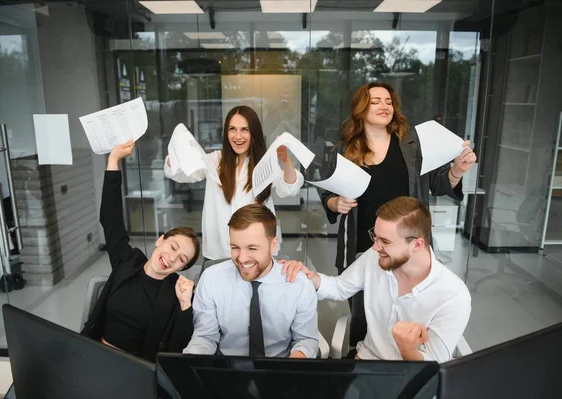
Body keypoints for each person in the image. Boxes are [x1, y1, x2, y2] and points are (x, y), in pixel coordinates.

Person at [320, 82, 476, 345]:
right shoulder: (343, 150)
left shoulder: (412, 147)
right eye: (376, 101)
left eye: (389, 101)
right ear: (361, 109)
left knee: (410, 319)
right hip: (361, 248)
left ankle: (408, 365)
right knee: (364, 322)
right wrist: (335, 203)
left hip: (408, 248)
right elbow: (326, 192)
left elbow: (439, 183)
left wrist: (457, 170)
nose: (384, 106)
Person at [282, 196, 471, 363]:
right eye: (375, 236)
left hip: (413, 377)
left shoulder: (453, 295)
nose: (375, 247)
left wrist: (407, 349)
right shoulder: (376, 259)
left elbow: (433, 365)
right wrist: (309, 276)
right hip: (367, 362)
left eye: (385, 242)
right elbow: (339, 288)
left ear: (417, 244)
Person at [81, 140, 201, 362]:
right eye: (173, 247)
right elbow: (111, 219)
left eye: (181, 259)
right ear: (160, 240)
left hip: (135, 369)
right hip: (93, 353)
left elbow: (176, 350)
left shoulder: (176, 293)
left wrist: (186, 307)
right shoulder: (127, 261)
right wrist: (113, 160)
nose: (172, 257)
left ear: (183, 267)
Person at [164, 105, 304, 261]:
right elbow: (178, 173)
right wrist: (177, 150)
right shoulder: (215, 160)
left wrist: (285, 160)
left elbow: (289, 188)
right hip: (218, 251)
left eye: (244, 129)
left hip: (257, 250)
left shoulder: (265, 162)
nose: (238, 136)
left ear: (254, 133)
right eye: (232, 129)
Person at [184, 204, 319, 358]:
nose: (242, 258)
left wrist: (288, 370)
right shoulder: (211, 279)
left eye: (252, 248)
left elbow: (305, 340)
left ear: (273, 245)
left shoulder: (298, 284)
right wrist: (191, 365)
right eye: (235, 247)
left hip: (280, 369)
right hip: (228, 370)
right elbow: (205, 337)